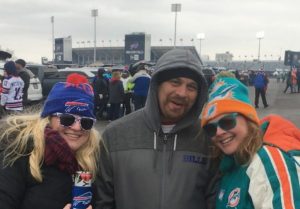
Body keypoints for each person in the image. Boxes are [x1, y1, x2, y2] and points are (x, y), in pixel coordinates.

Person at [94, 49, 218, 209]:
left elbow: (214, 200)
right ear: (157, 85)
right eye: (175, 82)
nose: (182, 93)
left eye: (191, 87)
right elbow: (103, 202)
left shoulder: (207, 138)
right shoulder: (115, 135)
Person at [0, 73, 100, 209]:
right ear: (48, 118)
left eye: (86, 122)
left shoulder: (94, 157)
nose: (77, 128)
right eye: (67, 119)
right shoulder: (18, 154)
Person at [201, 74, 300, 209]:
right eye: (210, 128)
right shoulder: (229, 163)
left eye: (227, 122)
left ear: (248, 120)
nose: (218, 132)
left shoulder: (268, 161)